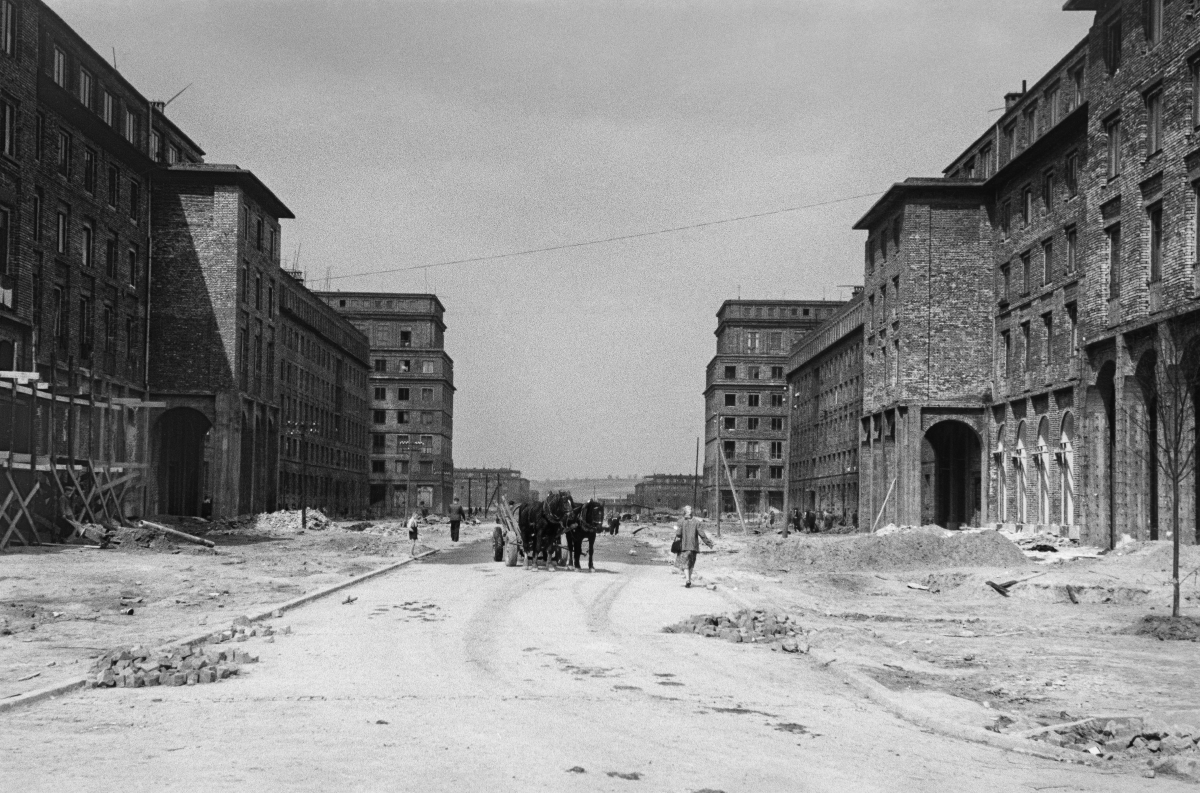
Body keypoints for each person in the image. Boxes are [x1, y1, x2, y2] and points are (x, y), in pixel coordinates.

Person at [673, 505, 713, 588]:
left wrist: (677, 531)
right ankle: (689, 580)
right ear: (692, 512)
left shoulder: (681, 521)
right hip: (693, 546)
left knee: (685, 564)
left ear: (684, 512)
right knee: (691, 563)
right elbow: (702, 534)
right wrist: (708, 543)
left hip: (684, 546)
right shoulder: (697, 522)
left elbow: (678, 534)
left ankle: (687, 580)